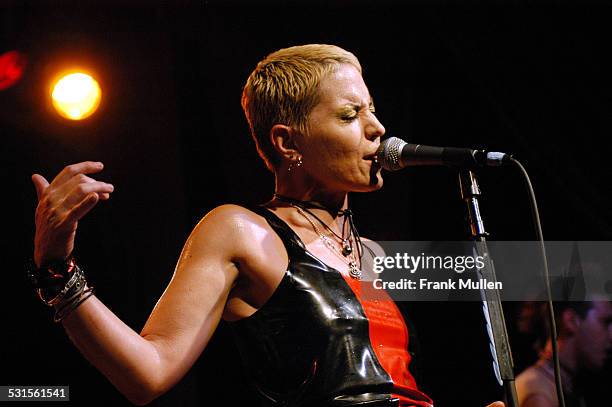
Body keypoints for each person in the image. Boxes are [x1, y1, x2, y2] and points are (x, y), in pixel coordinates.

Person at [29, 44, 504, 407]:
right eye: (349, 114)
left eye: (372, 109)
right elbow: (146, 373)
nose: (377, 128)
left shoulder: (375, 254)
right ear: (287, 141)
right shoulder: (241, 231)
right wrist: (57, 270)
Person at [515, 300, 612, 407]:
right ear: (571, 321)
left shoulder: (560, 384)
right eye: (605, 322)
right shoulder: (539, 395)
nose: (611, 335)